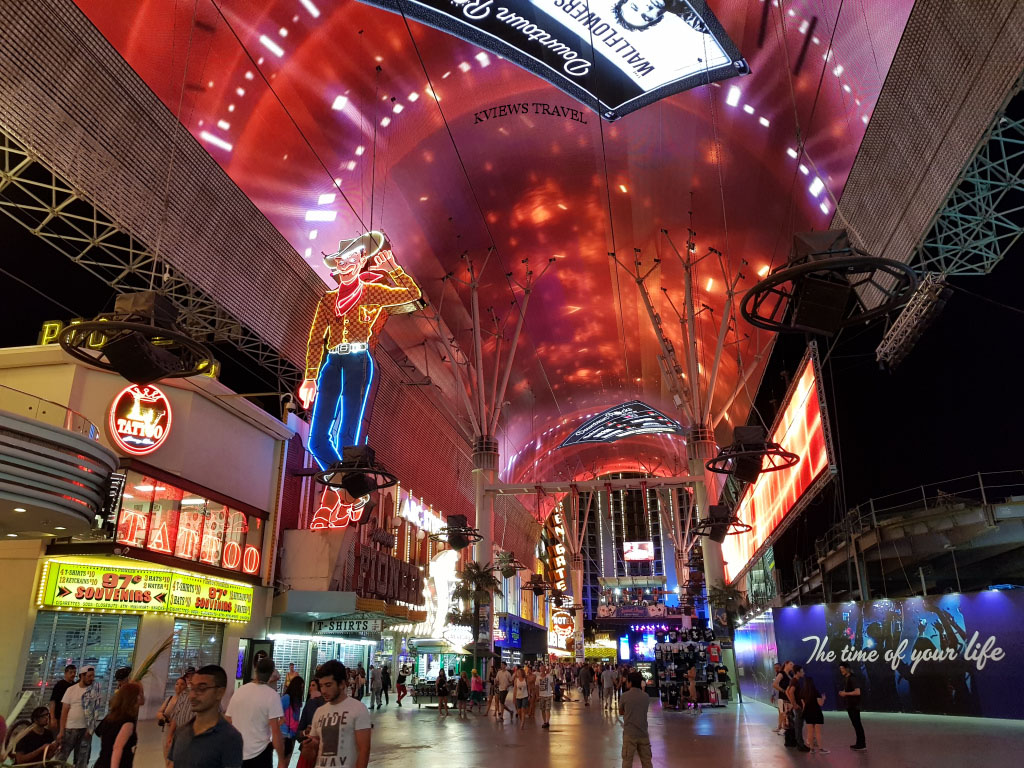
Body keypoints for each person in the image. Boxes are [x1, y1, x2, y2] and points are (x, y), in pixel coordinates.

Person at [170, 664, 244, 768]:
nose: (192, 696)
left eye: (201, 688)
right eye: (192, 688)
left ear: (219, 692)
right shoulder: (181, 732)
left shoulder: (229, 738)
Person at [306, 660, 371, 768]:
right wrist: (308, 747)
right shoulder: (319, 711)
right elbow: (312, 753)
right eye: (321, 686)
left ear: (341, 684)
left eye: (328, 685)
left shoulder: (358, 709)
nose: (323, 691)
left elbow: (364, 750)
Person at [225, 657, 285, 768]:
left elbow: (228, 720)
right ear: (271, 673)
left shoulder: (239, 691)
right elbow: (276, 732)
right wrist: (281, 760)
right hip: (260, 753)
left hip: (237, 753)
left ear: (255, 670)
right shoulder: (272, 695)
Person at [57, 664, 102, 768]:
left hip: (85, 730)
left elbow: (95, 711)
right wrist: (61, 730)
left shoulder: (94, 691)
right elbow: (64, 711)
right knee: (62, 757)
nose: (92, 678)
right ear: (82, 676)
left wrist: (90, 729)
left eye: (93, 676)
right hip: (70, 729)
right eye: (89, 676)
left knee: (82, 758)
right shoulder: (71, 690)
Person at [93, 681, 143, 768]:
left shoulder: (110, 716)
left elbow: (101, 736)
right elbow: (117, 748)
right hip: (118, 763)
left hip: (102, 761)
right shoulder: (127, 721)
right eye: (139, 695)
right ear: (132, 698)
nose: (140, 697)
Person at [619, 672, 652, 768]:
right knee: (647, 761)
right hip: (643, 733)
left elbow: (621, 712)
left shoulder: (624, 696)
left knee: (627, 761)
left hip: (629, 733)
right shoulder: (646, 696)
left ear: (630, 682)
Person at [838, 662, 867, 751]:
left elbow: (858, 692)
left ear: (847, 669)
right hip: (850, 705)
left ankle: (861, 744)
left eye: (842, 669)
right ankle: (859, 743)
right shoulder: (847, 678)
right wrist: (844, 692)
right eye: (840, 669)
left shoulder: (852, 678)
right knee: (856, 724)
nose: (841, 671)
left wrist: (845, 693)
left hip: (854, 706)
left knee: (857, 724)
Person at [164, 676, 193, 763]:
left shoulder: (204, 698)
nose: (190, 679)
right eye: (188, 677)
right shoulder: (183, 696)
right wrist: (170, 735)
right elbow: (176, 716)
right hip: (179, 736)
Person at [801, 674, 828, 754]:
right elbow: (820, 704)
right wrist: (823, 698)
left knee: (810, 732)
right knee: (818, 732)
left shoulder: (802, 692)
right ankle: (820, 749)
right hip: (816, 713)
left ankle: (811, 749)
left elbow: (804, 705)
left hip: (807, 713)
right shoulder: (815, 691)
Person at [786, 665, 811, 753]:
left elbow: (787, 691)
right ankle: (800, 744)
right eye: (802, 671)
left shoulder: (794, 681)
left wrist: (793, 703)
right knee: (799, 725)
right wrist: (795, 704)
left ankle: (800, 743)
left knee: (799, 724)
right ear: (797, 672)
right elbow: (790, 692)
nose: (803, 673)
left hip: (799, 706)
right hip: (799, 707)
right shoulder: (795, 681)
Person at [280, 675, 304, 764]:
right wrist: (282, 721)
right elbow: (277, 711)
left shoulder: (297, 700)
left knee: (287, 761)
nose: (302, 690)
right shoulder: (287, 698)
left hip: (292, 734)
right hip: (285, 733)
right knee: (283, 762)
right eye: (301, 687)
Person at [772, 661, 793, 734]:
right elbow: (774, 684)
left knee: (786, 712)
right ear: (786, 665)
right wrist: (783, 691)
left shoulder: (789, 674)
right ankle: (781, 728)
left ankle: (783, 727)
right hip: (783, 696)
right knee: (783, 712)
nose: (792, 666)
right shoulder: (781, 674)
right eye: (790, 664)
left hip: (788, 696)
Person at [536, 664, 554, 729]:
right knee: (542, 709)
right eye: (541, 668)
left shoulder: (549, 676)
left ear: (545, 669)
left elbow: (552, 684)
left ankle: (547, 721)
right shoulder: (538, 678)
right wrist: (537, 695)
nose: (542, 670)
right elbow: (537, 687)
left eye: (543, 668)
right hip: (541, 696)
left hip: (548, 695)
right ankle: (544, 721)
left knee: (547, 709)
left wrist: (554, 692)